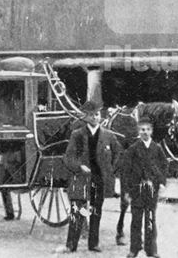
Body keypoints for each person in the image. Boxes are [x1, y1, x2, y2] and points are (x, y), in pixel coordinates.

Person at [61, 101, 120, 253]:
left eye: (97, 114)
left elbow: (118, 154)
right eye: (92, 115)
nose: (95, 117)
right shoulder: (77, 135)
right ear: (86, 117)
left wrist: (110, 169)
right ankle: (71, 244)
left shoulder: (108, 136)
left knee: (95, 212)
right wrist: (79, 166)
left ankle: (93, 244)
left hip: (98, 179)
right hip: (80, 178)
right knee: (78, 211)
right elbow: (68, 157)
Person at [119, 117, 168, 258]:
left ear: (151, 131)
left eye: (147, 129)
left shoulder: (157, 148)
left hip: (151, 190)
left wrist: (162, 182)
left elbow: (164, 166)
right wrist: (127, 191)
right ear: (138, 132)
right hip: (137, 190)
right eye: (142, 130)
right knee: (136, 220)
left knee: (151, 219)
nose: (145, 132)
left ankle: (151, 249)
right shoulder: (133, 149)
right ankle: (134, 248)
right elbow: (126, 171)